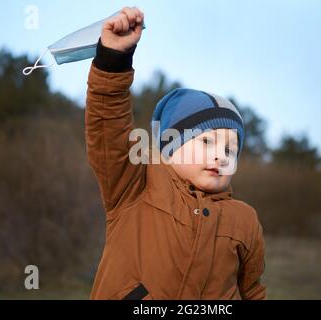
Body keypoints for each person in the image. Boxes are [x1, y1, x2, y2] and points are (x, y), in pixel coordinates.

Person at [85, 6, 266, 300]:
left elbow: (253, 290)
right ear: (170, 148)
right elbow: (108, 129)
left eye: (230, 149)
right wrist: (112, 61)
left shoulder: (244, 220)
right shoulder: (135, 187)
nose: (221, 155)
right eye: (206, 142)